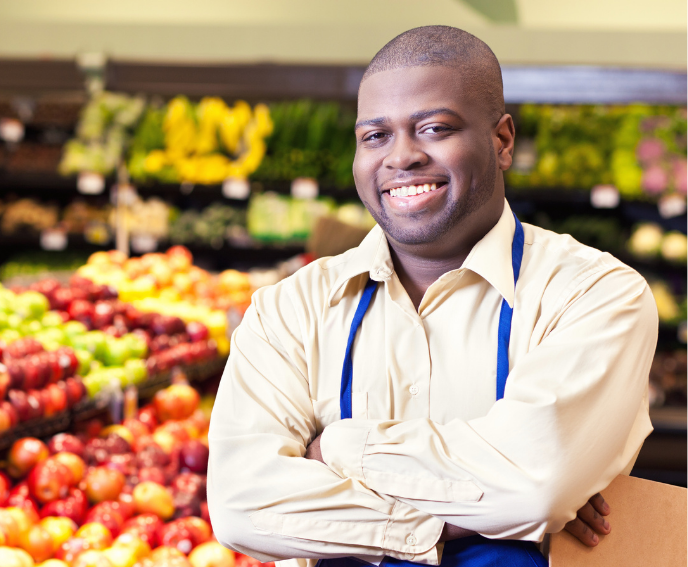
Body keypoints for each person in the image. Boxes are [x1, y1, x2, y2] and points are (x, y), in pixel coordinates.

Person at [208, 25, 658, 567]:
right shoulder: (288, 311)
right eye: (375, 136)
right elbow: (241, 506)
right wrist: (480, 516)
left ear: (502, 141)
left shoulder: (593, 294)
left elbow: (533, 488)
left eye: (434, 128)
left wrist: (335, 451)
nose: (401, 157)